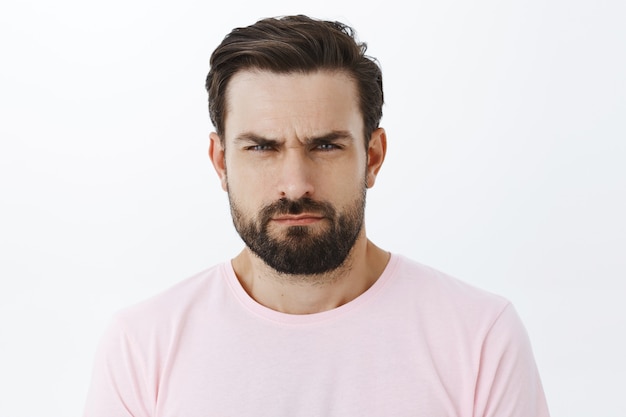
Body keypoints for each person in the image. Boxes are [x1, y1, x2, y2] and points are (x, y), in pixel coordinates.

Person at [83, 15, 550, 417]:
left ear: (373, 155)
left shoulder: (479, 338)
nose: (295, 184)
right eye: (262, 148)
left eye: (325, 145)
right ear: (221, 161)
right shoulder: (142, 348)